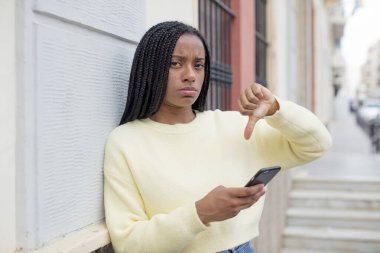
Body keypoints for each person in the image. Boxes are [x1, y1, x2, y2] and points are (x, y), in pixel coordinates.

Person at [103, 21, 332, 253]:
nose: (190, 75)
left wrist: (276, 109)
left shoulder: (236, 126)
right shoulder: (125, 142)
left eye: (199, 65)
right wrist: (201, 212)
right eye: (175, 63)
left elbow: (317, 144)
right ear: (151, 68)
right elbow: (129, 243)